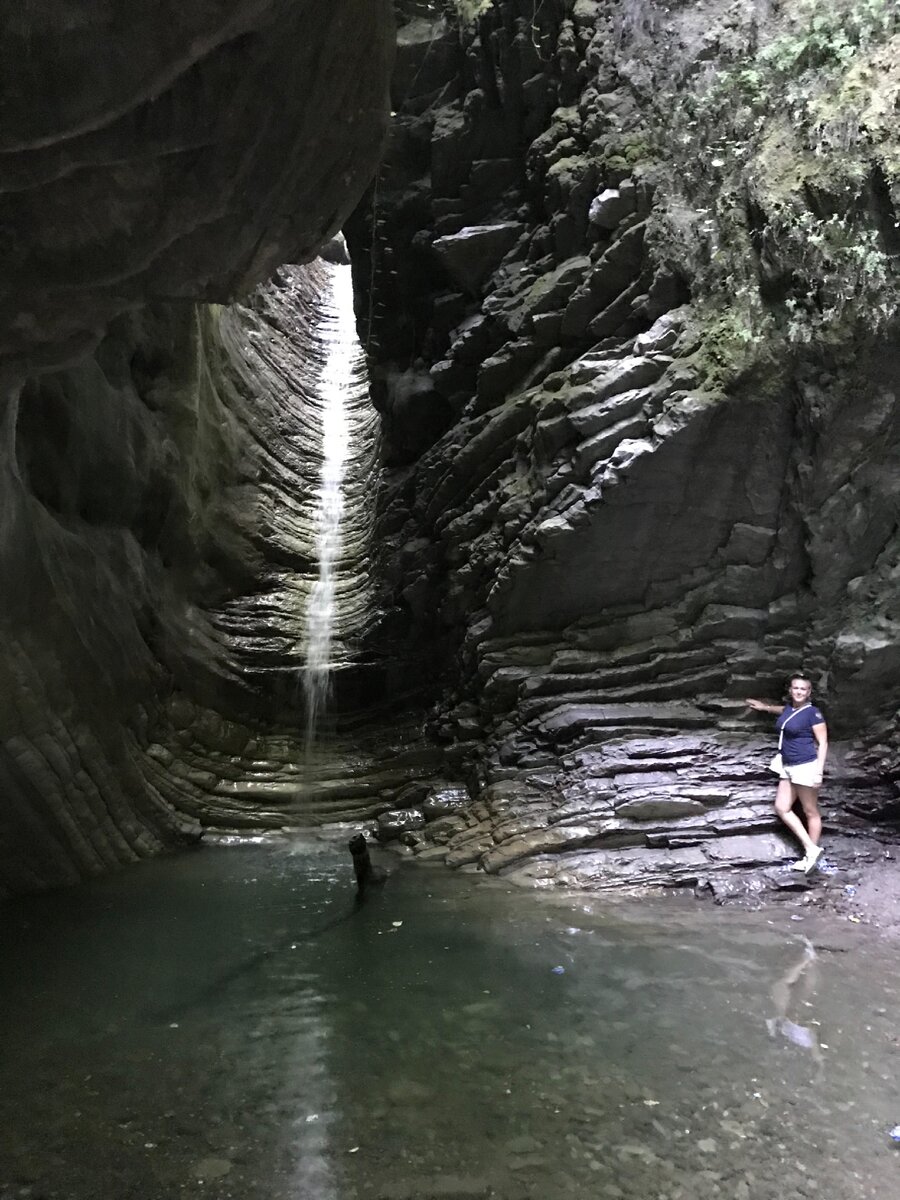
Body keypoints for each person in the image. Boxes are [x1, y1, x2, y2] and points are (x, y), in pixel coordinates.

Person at [746, 674, 828, 873]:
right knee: (782, 807)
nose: (799, 692)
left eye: (803, 689)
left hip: (805, 765)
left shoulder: (813, 713)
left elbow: (823, 742)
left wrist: (819, 773)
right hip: (787, 764)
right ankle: (811, 849)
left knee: (810, 810)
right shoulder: (789, 709)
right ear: (790, 690)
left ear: (809, 692)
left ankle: (811, 856)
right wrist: (765, 707)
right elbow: (782, 711)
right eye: (796, 688)